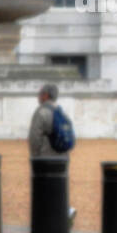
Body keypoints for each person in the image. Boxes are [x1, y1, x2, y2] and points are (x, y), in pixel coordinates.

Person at [28, 82, 76, 221]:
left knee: (45, 189)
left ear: (45, 95)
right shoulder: (62, 112)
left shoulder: (41, 112)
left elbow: (34, 138)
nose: (38, 96)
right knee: (59, 187)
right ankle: (65, 212)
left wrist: (35, 156)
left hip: (46, 157)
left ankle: (58, 215)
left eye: (40, 94)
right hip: (62, 156)